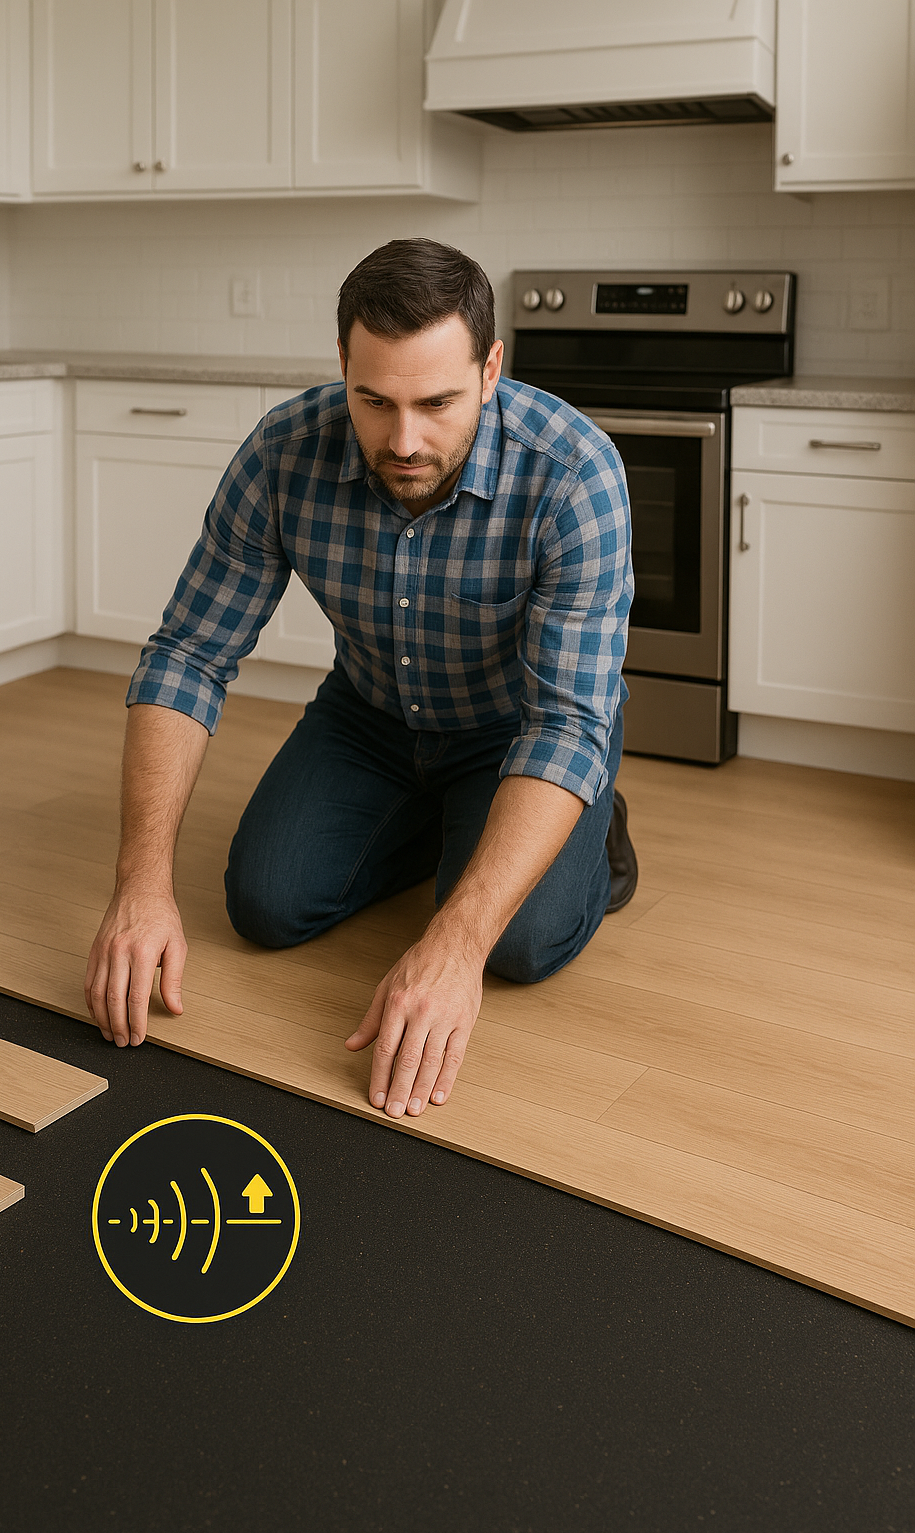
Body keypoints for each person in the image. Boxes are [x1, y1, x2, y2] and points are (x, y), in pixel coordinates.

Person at [84, 238, 636, 1121]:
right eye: (373, 400)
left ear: (491, 369)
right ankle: (447, 826)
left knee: (518, 945)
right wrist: (140, 886)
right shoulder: (283, 451)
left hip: (520, 728)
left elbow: (568, 720)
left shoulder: (574, 471)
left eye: (438, 403)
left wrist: (455, 942)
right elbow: (189, 654)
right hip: (373, 713)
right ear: (342, 362)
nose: (404, 440)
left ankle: (586, 822)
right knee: (266, 906)